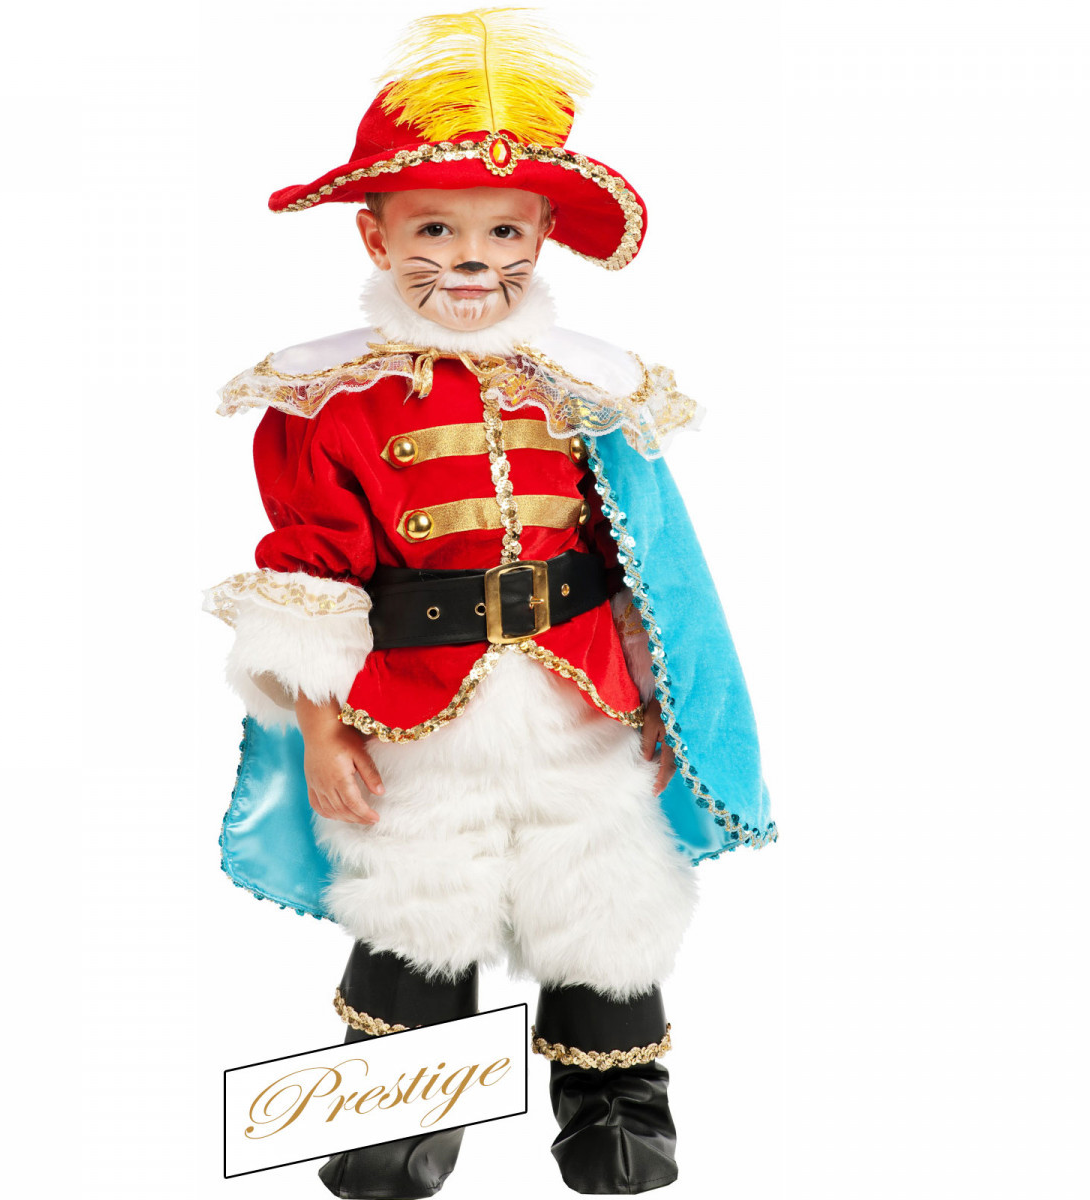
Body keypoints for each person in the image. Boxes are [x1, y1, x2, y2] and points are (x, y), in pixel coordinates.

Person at [203, 10, 776, 1197]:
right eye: (436, 230)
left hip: (580, 696)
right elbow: (311, 571)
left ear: (542, 236)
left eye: (503, 231)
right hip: (415, 703)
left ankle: (616, 1107)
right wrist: (320, 724)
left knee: (602, 889)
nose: (471, 260)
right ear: (375, 233)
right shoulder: (329, 400)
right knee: (422, 900)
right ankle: (399, 1117)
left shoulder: (587, 388)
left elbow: (640, 558)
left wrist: (662, 690)